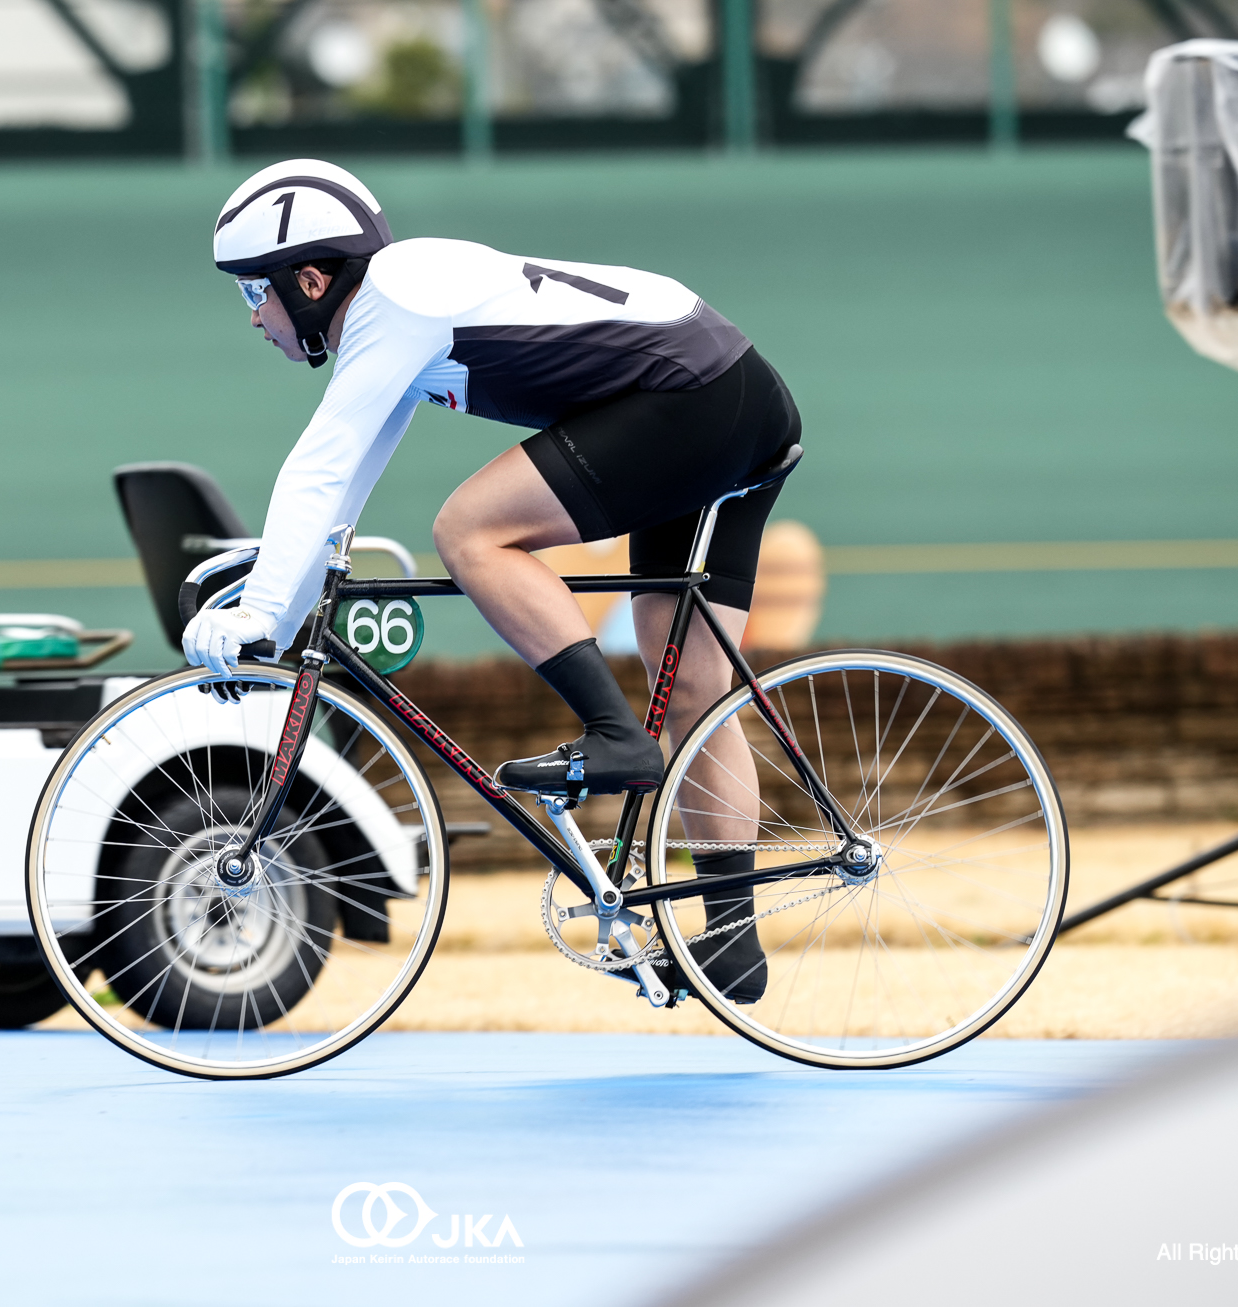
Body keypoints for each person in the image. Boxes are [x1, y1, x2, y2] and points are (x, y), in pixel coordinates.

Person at [181, 160, 800, 1000]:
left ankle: (615, 736)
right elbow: (349, 476)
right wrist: (276, 614)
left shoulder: (392, 301)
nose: (254, 318)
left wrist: (258, 615)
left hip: (691, 393)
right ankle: (733, 941)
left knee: (471, 530)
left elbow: (319, 464)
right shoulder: (398, 305)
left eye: (255, 293)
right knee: (692, 683)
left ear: (312, 279)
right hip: (722, 394)